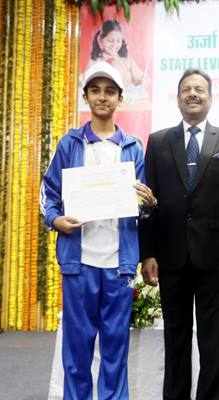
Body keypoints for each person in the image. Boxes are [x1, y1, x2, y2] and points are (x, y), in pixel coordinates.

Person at [40, 61, 156, 400]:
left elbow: (141, 206)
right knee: (77, 349)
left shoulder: (133, 148)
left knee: (115, 349)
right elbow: (48, 194)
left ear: (120, 98)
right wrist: (55, 220)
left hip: (119, 264)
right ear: (86, 97)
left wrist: (149, 203)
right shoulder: (69, 144)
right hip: (79, 263)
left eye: (109, 91)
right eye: (95, 90)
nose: (102, 97)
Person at [138, 68, 219, 400]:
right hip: (170, 255)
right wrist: (147, 252)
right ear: (178, 98)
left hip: (214, 257)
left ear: (210, 98)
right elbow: (148, 202)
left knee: (213, 340)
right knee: (175, 338)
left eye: (200, 89)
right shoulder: (158, 141)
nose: (193, 94)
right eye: (187, 89)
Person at [86, 19, 145, 87]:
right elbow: (85, 83)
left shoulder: (128, 62)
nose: (114, 45)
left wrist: (142, 81)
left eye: (118, 41)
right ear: (101, 40)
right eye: (110, 40)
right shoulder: (93, 63)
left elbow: (140, 80)